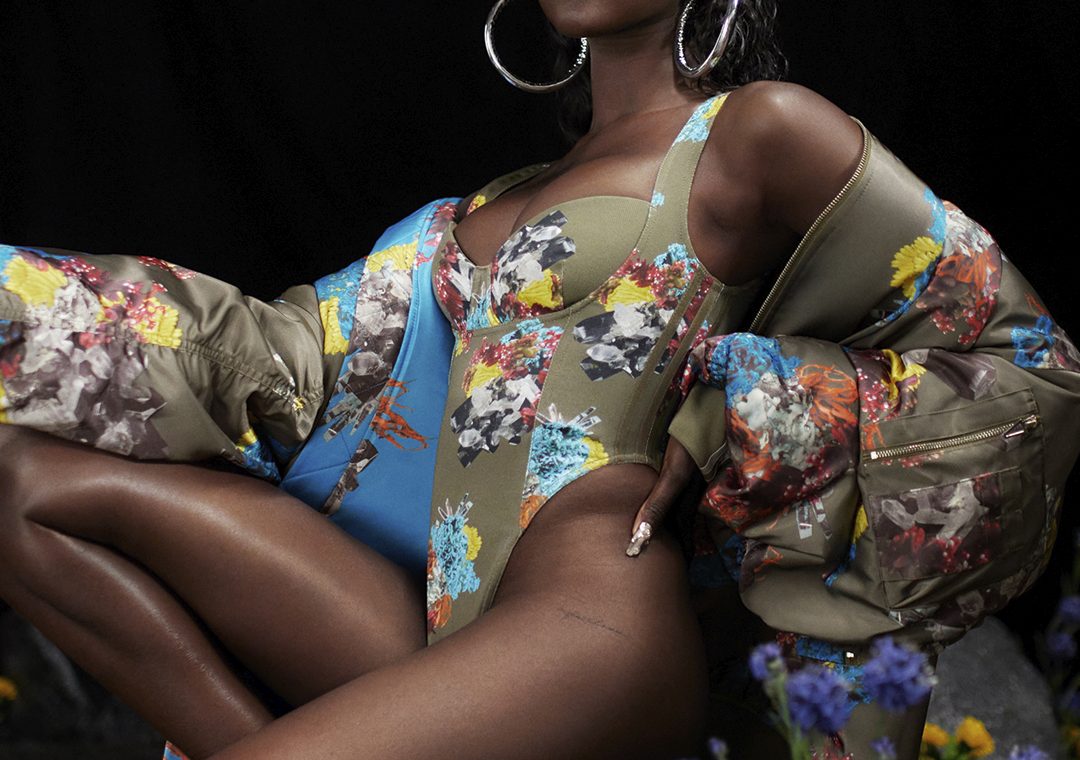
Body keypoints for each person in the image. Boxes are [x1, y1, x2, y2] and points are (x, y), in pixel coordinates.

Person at [2, 2, 1079, 758]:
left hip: (586, 621)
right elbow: (246, 356)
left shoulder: (755, 132)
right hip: (420, 619)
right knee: (20, 483)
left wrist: (744, 407)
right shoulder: (503, 195)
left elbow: (1028, 360)